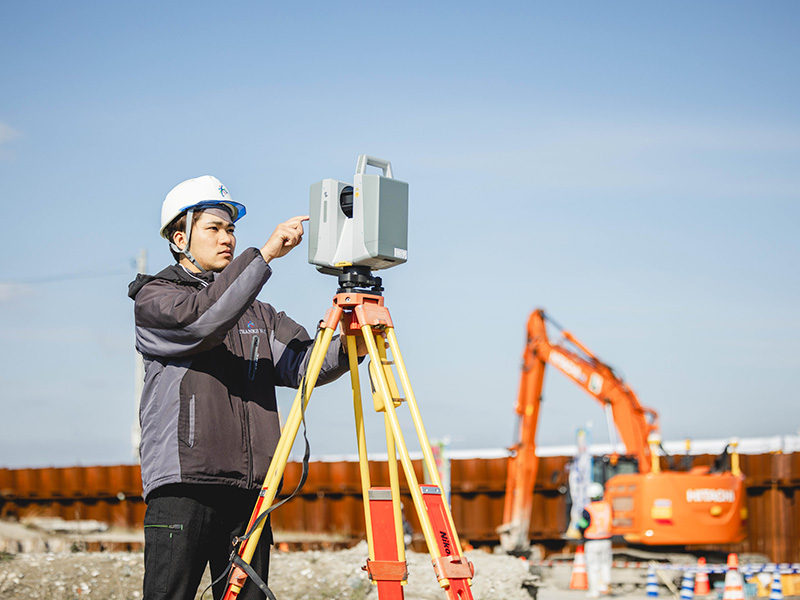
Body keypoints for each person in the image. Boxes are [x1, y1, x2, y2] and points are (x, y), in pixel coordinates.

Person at [128, 175, 362, 600]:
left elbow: (306, 364)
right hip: (184, 488)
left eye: (231, 229)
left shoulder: (258, 312)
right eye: (213, 228)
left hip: (250, 494)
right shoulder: (156, 298)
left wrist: (353, 338)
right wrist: (267, 254)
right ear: (179, 238)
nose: (227, 239)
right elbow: (202, 320)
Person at [577, 482, 613, 598]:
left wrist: (580, 532)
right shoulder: (608, 507)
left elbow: (582, 525)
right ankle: (605, 584)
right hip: (606, 540)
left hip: (592, 541)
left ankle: (594, 591)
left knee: (593, 567)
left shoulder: (588, 509)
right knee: (605, 564)